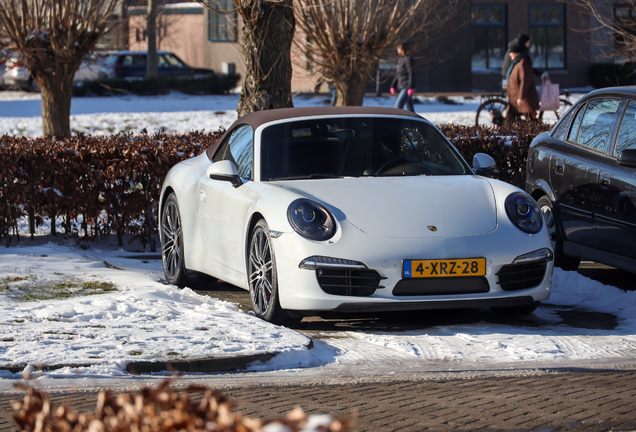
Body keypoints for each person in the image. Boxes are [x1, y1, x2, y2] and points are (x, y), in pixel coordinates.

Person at [504, 41, 540, 127]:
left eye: (511, 52)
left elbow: (525, 81)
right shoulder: (517, 63)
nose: (510, 54)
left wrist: (521, 97)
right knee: (510, 122)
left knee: (532, 123)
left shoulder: (523, 64)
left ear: (516, 53)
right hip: (516, 102)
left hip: (524, 101)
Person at [390, 44, 416, 112]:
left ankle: (397, 122)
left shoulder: (408, 59)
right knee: (410, 109)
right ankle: (413, 122)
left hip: (407, 86)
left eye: (398, 48)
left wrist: (411, 87)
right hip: (403, 85)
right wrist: (393, 85)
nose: (397, 49)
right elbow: (398, 74)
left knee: (398, 106)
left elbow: (411, 73)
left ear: (402, 49)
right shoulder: (401, 59)